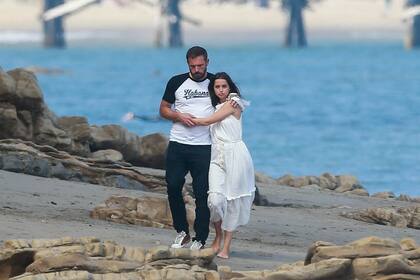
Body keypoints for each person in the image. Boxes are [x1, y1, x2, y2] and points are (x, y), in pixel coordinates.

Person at [191, 72, 255, 259]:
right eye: (217, 87)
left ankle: (225, 245)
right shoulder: (217, 106)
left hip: (235, 155)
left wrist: (187, 119)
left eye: (224, 86)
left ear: (230, 88)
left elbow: (210, 121)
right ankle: (218, 235)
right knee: (215, 200)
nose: (220, 90)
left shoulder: (233, 103)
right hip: (216, 157)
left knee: (233, 200)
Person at [159, 46, 214, 250]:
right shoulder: (176, 81)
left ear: (208, 62)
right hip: (178, 144)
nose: (197, 69)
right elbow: (163, 109)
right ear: (187, 64)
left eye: (200, 65)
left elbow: (229, 106)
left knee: (202, 193)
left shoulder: (215, 83)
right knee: (173, 186)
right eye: (193, 66)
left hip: (204, 146)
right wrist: (178, 116)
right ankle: (182, 232)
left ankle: (200, 237)